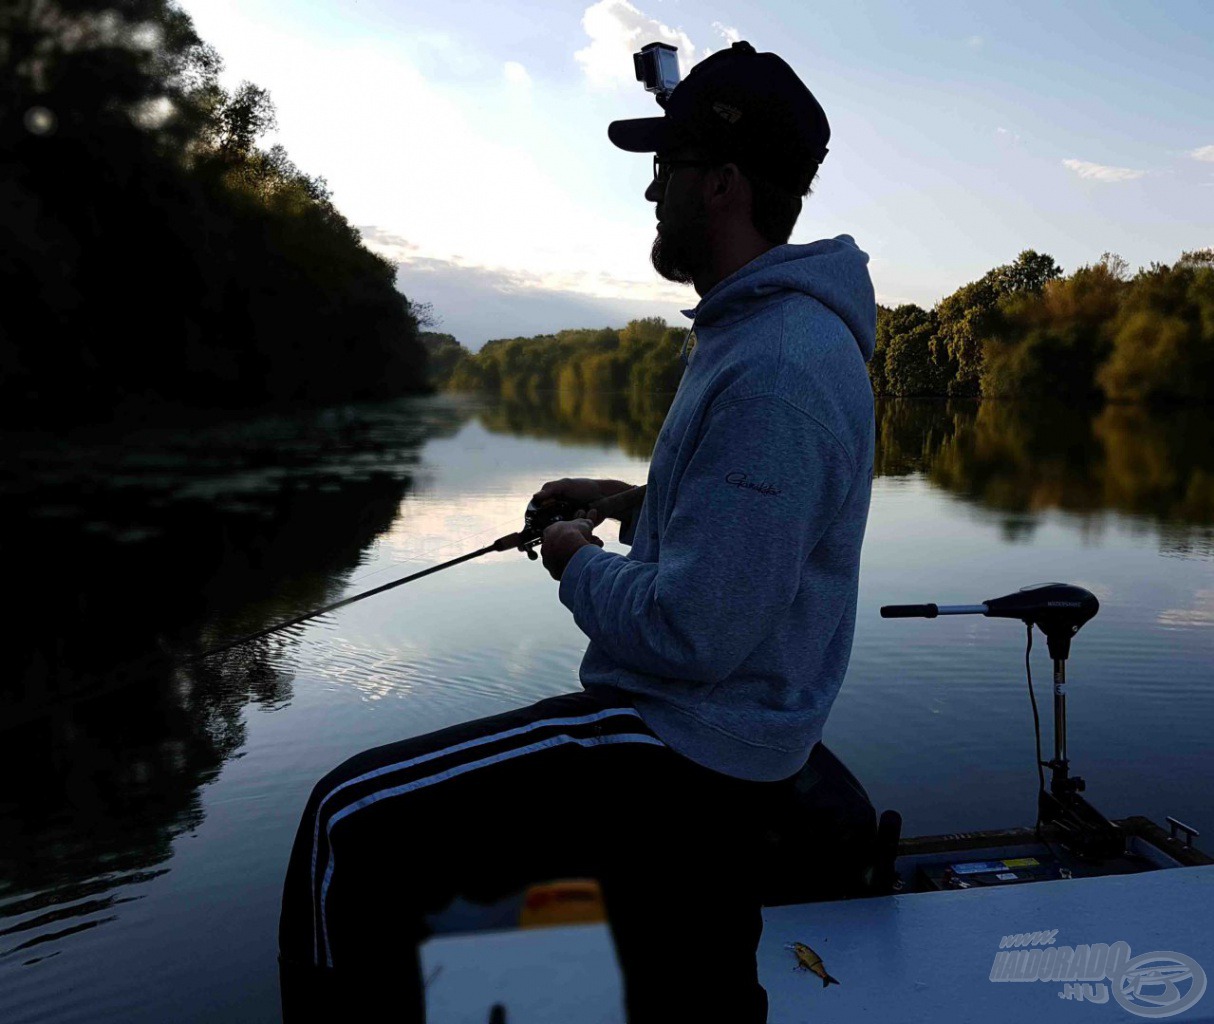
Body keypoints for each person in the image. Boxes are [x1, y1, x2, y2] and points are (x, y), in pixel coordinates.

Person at [278, 40, 875, 1023]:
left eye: (666, 170)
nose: (650, 193)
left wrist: (573, 560)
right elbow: (749, 539)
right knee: (668, 975)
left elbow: (695, 628)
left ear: (720, 184)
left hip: (688, 749)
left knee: (346, 825)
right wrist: (628, 498)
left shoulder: (776, 362)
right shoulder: (766, 336)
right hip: (718, 744)